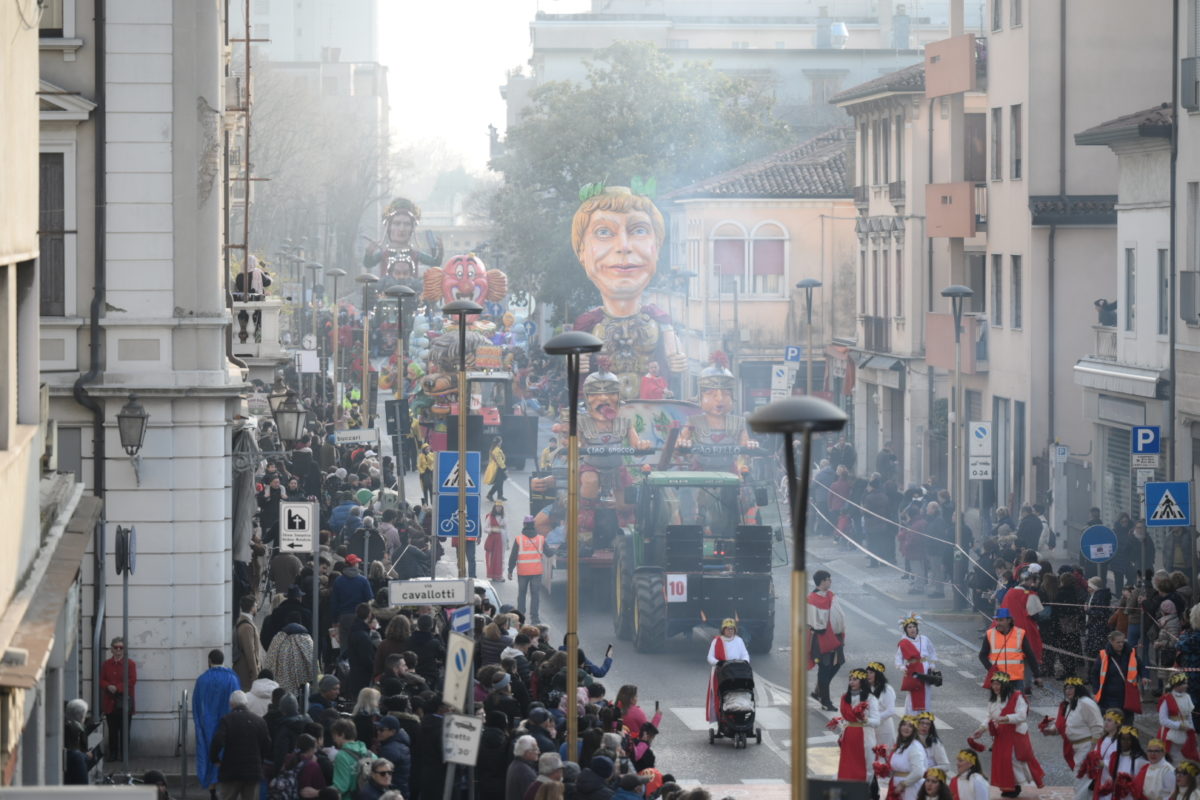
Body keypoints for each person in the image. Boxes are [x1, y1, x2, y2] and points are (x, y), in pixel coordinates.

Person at [569, 185, 686, 399]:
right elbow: (578, 373)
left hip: (652, 414)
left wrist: (676, 357)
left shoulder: (659, 320)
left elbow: (675, 359)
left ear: (657, 249)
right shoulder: (588, 325)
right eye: (603, 232)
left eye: (639, 230)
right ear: (581, 252)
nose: (623, 246)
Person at [972, 671, 1045, 798]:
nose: (995, 687)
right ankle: (1008, 786)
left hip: (1015, 735)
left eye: (997, 684)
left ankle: (1015, 785)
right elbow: (989, 716)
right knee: (1002, 761)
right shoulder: (994, 700)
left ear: (1004, 685)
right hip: (1001, 735)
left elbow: (1022, 715)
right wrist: (981, 729)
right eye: (993, 684)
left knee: (1013, 760)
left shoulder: (1017, 697)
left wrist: (1006, 718)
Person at [1038, 676, 1103, 800]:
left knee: (1081, 777)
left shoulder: (1086, 703)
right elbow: (1064, 726)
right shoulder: (1071, 704)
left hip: (1087, 747)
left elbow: (1098, 727)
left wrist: (1093, 752)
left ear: (1078, 688)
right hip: (1076, 748)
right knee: (1085, 779)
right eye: (1066, 688)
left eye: (1071, 688)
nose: (1068, 691)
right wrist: (1050, 731)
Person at [193, 648, 243, 791]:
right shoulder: (232, 678)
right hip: (227, 724)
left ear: (209, 661)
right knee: (225, 753)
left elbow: (197, 705)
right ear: (223, 660)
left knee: (208, 752)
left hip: (207, 725)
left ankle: (211, 787)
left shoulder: (202, 679)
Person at [209, 689, 271, 800]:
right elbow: (267, 746)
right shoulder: (259, 721)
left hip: (231, 771)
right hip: (253, 771)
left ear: (231, 704)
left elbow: (217, 741)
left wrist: (215, 759)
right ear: (246, 703)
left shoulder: (227, 720)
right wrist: (259, 761)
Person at [808, 570, 846, 711]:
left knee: (837, 664)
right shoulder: (811, 599)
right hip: (821, 638)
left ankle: (818, 691)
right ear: (822, 581)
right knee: (824, 669)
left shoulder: (831, 595)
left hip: (835, 637)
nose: (830, 581)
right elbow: (813, 622)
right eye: (828, 579)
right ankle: (825, 701)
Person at [978, 608, 1040, 693]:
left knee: (1017, 705)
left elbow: (1030, 655)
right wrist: (991, 669)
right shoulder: (990, 634)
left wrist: (1037, 675)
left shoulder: (1020, 633)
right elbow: (982, 655)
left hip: (1016, 679)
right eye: (997, 620)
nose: (998, 623)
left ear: (1009, 620)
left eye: (1001, 620)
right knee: (999, 705)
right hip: (999, 679)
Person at [835, 669, 881, 781]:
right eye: (850, 679)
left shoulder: (871, 698)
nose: (851, 682)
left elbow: (877, 721)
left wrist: (865, 719)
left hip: (865, 737)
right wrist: (838, 723)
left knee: (866, 768)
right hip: (849, 737)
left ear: (862, 681)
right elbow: (847, 720)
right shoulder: (845, 697)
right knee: (847, 768)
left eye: (855, 679)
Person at [704, 619, 749, 724]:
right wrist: (718, 662)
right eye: (728, 629)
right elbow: (710, 657)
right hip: (722, 673)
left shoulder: (739, 640)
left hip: (737, 672)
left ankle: (738, 715)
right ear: (723, 630)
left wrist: (745, 662)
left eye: (732, 629)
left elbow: (745, 654)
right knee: (722, 695)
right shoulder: (717, 641)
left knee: (738, 693)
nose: (730, 631)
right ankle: (723, 719)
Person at [1092, 629, 1142, 722]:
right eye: (1118, 642)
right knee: (1113, 721)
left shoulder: (1130, 653)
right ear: (1111, 642)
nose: (1121, 645)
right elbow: (1095, 674)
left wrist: (1144, 676)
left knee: (1127, 722)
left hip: (1127, 695)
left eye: (1122, 642)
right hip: (1109, 697)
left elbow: (1140, 665)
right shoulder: (1103, 655)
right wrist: (1096, 691)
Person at [100, 636, 136, 762]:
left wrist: (118, 688)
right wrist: (107, 686)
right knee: (112, 730)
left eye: (121, 648)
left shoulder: (130, 664)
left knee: (125, 730)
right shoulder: (106, 664)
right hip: (110, 702)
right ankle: (113, 754)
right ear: (112, 649)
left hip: (124, 702)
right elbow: (101, 679)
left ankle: (124, 755)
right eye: (116, 647)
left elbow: (132, 680)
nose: (118, 650)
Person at [895, 614, 938, 713]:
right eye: (909, 627)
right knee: (913, 693)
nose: (912, 629)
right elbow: (898, 658)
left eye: (914, 626)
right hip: (913, 670)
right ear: (906, 630)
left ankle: (925, 715)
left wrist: (932, 664)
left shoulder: (924, 639)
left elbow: (932, 652)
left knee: (926, 692)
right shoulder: (904, 642)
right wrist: (901, 667)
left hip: (925, 669)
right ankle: (911, 716)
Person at [508, 517, 546, 624]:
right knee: (535, 595)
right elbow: (549, 552)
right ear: (534, 525)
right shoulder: (541, 539)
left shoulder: (519, 539)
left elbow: (513, 556)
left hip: (523, 572)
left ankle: (520, 617)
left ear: (524, 525)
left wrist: (510, 570)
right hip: (536, 572)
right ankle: (535, 618)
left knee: (522, 594)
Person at [883, 715, 927, 800]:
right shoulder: (900, 745)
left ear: (914, 730)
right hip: (896, 785)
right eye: (904, 725)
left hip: (910, 789)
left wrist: (903, 784)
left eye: (910, 726)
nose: (906, 728)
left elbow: (918, 772)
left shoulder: (914, 747)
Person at [331, 717, 375, 800]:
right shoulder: (371, 755)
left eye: (335, 736)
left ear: (342, 735)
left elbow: (341, 787)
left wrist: (318, 792)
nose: (334, 740)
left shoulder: (342, 756)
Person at [1160, 672, 1200, 760]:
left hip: (1185, 732)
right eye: (1184, 683)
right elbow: (1163, 720)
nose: (1186, 685)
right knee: (1172, 756)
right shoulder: (1167, 698)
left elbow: (1189, 716)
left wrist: (1193, 730)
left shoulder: (1187, 697)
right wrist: (1178, 726)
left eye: (1186, 683)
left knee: (1184, 757)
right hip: (1171, 733)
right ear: (1176, 685)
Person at [233, 594, 262, 691]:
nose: (257, 608)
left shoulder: (243, 621)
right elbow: (250, 652)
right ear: (252, 608)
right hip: (245, 672)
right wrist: (255, 674)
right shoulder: (247, 627)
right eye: (256, 605)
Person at [867, 661, 898, 748]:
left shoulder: (887, 689)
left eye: (871, 673)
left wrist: (875, 718)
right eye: (867, 673)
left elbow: (891, 711)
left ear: (878, 674)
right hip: (871, 728)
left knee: (884, 755)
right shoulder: (868, 688)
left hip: (884, 729)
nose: (868, 675)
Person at [507, 735, 540, 800]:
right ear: (527, 752)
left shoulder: (514, 764)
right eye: (535, 749)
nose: (538, 752)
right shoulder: (526, 773)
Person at [485, 503, 508, 582]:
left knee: (501, 558)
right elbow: (485, 528)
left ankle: (500, 575)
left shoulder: (503, 517)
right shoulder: (490, 516)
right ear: (494, 507)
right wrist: (493, 530)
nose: (499, 508)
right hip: (492, 540)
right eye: (497, 507)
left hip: (501, 540)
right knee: (492, 558)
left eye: (500, 507)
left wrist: (507, 541)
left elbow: (506, 529)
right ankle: (493, 575)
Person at [486, 436, 508, 502]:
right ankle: (490, 494)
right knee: (499, 482)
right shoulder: (496, 450)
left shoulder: (494, 449)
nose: (502, 442)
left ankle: (499, 495)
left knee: (500, 482)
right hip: (498, 468)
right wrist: (504, 468)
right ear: (499, 442)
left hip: (496, 467)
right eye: (501, 441)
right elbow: (499, 460)